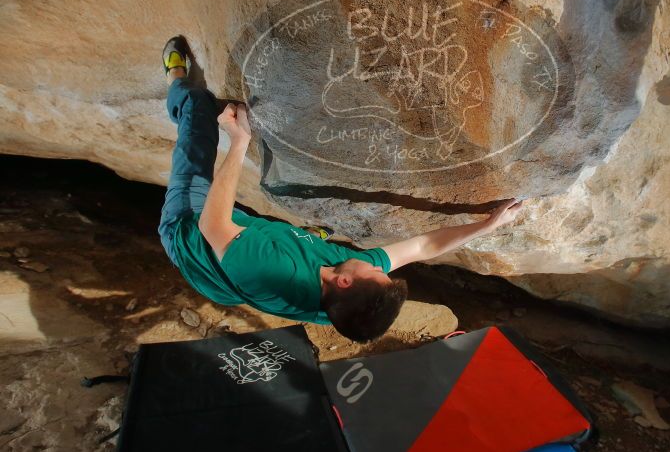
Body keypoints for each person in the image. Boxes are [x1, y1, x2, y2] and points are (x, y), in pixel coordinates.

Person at [157, 37, 524, 343]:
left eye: (371, 269)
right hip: (230, 270)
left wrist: (240, 139)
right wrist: (486, 227)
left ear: (344, 280)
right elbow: (424, 246)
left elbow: (213, 225)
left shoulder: (269, 267)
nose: (373, 261)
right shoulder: (345, 303)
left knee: (197, 123)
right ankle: (304, 237)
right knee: (285, 236)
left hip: (192, 232)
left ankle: (178, 83)